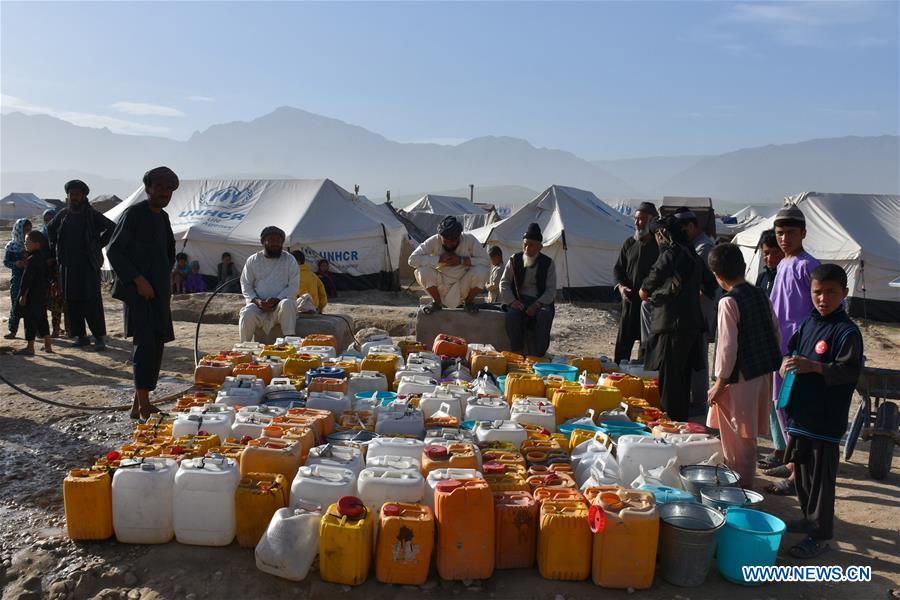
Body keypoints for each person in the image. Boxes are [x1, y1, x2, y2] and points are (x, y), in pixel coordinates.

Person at [781, 264, 862, 559]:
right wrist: (787, 361)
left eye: (830, 292)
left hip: (825, 420)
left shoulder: (846, 332)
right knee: (802, 474)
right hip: (802, 414)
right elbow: (792, 350)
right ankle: (807, 518)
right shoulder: (808, 323)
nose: (823, 298)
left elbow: (850, 372)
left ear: (844, 293)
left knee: (821, 482)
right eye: (817, 292)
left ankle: (820, 534)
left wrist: (815, 366)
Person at [107, 166, 179, 421]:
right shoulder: (133, 214)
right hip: (139, 294)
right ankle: (145, 405)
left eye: (169, 188)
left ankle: (138, 404)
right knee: (144, 345)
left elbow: (168, 253)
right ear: (148, 187)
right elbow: (114, 251)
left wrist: (162, 277)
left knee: (156, 344)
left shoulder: (163, 218)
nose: (164, 192)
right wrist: (138, 280)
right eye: (159, 187)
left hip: (159, 293)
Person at [706, 244, 781, 487]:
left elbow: (728, 347)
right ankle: (742, 486)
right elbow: (775, 332)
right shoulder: (760, 294)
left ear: (717, 275)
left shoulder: (729, 302)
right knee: (747, 438)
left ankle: (740, 490)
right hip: (761, 373)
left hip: (739, 378)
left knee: (737, 439)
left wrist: (720, 382)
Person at [763, 206, 821, 494]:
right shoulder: (783, 264)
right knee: (781, 406)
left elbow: (820, 309)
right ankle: (790, 461)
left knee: (794, 409)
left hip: (798, 353)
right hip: (780, 351)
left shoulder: (808, 266)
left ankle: (799, 473)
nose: (784, 238)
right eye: (780, 233)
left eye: (790, 233)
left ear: (804, 234)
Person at [640, 215, 713, 422]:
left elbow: (648, 285)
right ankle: (680, 424)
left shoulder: (670, 254)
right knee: (683, 379)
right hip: (692, 325)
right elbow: (710, 284)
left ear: (661, 235)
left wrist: (651, 293)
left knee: (670, 382)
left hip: (671, 326)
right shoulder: (692, 254)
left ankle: (670, 426)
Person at [46, 179, 115, 350]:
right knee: (72, 302)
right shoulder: (63, 215)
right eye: (71, 195)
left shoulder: (92, 215)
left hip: (88, 267)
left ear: (84, 196)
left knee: (92, 302)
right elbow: (50, 229)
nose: (74, 198)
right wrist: (54, 246)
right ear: (68, 196)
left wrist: (98, 243)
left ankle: (99, 337)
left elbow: (112, 227)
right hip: (68, 267)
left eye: (77, 195)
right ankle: (81, 336)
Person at [675, 208, 719, 415]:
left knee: (698, 355)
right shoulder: (696, 245)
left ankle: (700, 401)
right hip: (693, 309)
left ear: (692, 226)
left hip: (700, 310)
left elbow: (702, 282)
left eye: (682, 229)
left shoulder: (704, 248)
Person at [408, 216, 490, 314]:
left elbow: (486, 261)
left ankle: (469, 302)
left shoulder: (469, 240)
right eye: (445, 241)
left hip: (463, 285)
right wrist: (439, 259)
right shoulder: (434, 240)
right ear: (440, 236)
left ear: (459, 237)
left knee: (483, 271)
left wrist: (462, 261)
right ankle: (437, 302)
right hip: (441, 285)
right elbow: (412, 260)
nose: (449, 245)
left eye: (452, 242)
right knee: (423, 271)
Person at [499, 223, 557, 357]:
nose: (527, 248)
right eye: (525, 244)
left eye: (531, 245)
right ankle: (517, 350)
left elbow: (551, 290)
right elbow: (504, 283)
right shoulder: (514, 259)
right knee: (512, 315)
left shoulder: (548, 263)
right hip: (519, 300)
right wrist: (512, 301)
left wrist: (537, 305)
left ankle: (538, 354)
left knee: (544, 315)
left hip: (540, 301)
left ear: (539, 247)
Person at [613, 201, 660, 363]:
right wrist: (621, 287)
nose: (637, 223)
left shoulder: (659, 246)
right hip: (629, 302)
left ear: (652, 221)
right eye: (636, 219)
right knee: (622, 347)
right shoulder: (629, 243)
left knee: (646, 347)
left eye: (641, 219)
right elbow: (618, 269)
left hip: (649, 305)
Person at [239, 226, 300, 342]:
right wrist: (257, 301)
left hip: (280, 305)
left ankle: (290, 340)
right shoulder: (253, 260)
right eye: (271, 240)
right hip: (259, 306)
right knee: (246, 312)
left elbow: (293, 286)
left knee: (287, 303)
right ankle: (243, 347)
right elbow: (246, 284)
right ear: (263, 242)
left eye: (278, 240)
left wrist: (277, 299)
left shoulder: (289, 260)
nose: (275, 243)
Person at [13, 230, 53, 355]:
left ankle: (30, 347)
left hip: (31, 295)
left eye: (28, 242)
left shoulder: (31, 260)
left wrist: (23, 295)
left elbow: (27, 280)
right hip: (42, 293)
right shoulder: (42, 258)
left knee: (30, 319)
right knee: (42, 318)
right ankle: (48, 345)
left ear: (37, 244)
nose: (25, 244)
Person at [3, 218, 30, 339]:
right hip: (17, 280)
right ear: (19, 230)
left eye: (29, 230)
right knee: (16, 305)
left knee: (31, 306)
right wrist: (16, 264)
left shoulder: (30, 244)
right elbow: (6, 262)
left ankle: (33, 331)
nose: (26, 233)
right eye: (25, 230)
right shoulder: (11, 246)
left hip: (30, 279)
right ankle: (13, 330)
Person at [755, 229, 783, 296]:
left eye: (775, 253)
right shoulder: (761, 278)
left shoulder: (787, 277)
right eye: (766, 253)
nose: (770, 258)